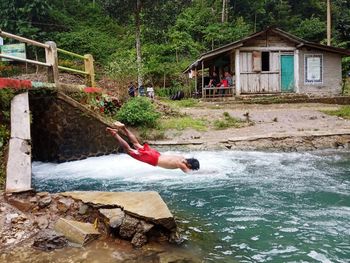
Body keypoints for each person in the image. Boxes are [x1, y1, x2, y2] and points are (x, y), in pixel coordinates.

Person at [106, 122, 200, 173]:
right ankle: (114, 134)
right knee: (129, 150)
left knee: (136, 144)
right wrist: (210, 173)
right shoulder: (182, 164)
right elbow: (189, 173)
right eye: (192, 168)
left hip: (156, 154)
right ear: (190, 165)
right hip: (153, 159)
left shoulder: (182, 158)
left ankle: (124, 128)